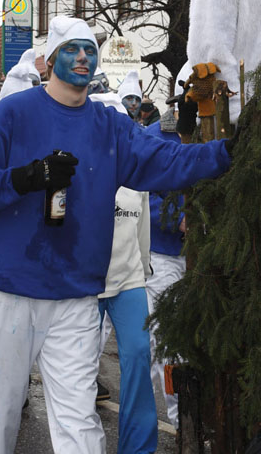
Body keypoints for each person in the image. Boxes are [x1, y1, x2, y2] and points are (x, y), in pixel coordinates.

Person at [0, 15, 232, 453]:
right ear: (49, 60)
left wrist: (226, 152)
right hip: (10, 289)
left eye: (89, 50)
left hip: (76, 293)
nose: (83, 57)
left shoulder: (110, 126)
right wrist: (26, 178)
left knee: (78, 419)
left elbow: (166, 161)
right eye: (71, 49)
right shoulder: (12, 113)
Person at [90, 92, 157, 453]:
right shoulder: (80, 170)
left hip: (129, 279)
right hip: (86, 284)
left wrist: (143, 268)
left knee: (137, 354)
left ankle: (138, 447)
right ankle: (83, 443)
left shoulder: (135, 173)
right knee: (79, 369)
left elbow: (142, 229)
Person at [143, 101, 187, 429]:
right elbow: (140, 194)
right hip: (164, 256)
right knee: (172, 344)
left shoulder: (226, 131)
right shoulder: (154, 138)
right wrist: (179, 219)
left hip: (206, 258)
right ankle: (181, 417)